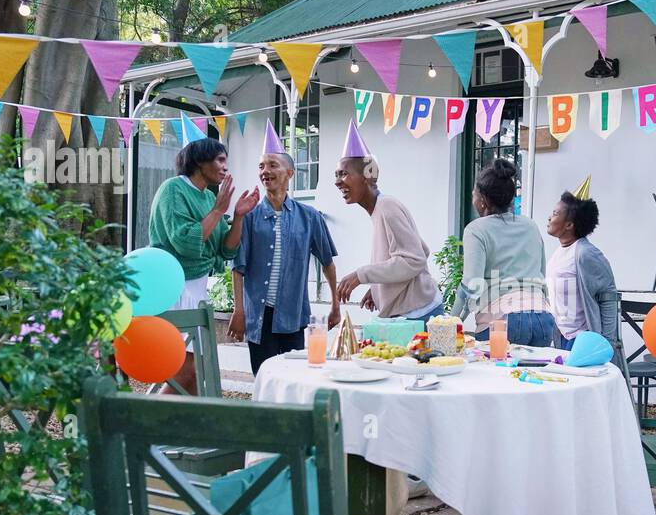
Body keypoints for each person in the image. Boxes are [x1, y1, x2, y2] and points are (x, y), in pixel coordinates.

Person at [148, 136, 256, 393]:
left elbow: (226, 249)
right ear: (199, 161)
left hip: (197, 288)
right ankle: (147, 424)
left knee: (195, 374)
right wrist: (219, 211)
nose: (225, 167)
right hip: (172, 286)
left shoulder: (209, 198)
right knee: (184, 371)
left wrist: (238, 216)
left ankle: (188, 430)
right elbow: (185, 242)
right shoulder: (173, 189)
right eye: (220, 160)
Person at [230, 124, 341, 375]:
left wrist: (335, 304)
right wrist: (239, 311)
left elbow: (327, 262)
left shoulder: (310, 217)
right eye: (261, 166)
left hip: (294, 314)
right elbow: (238, 267)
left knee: (295, 378)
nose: (265, 171)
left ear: (289, 172)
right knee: (264, 378)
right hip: (259, 315)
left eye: (272, 165)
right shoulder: (249, 217)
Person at [333, 120, 443, 321]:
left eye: (344, 174)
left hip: (419, 315)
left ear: (367, 176)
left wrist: (361, 274)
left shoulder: (387, 207)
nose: (338, 181)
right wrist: (379, 289)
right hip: (411, 313)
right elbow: (418, 251)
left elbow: (414, 259)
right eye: (337, 175)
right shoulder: (378, 209)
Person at [451, 158, 555, 346]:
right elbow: (541, 273)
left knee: (495, 376)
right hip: (542, 317)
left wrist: (452, 320)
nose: (472, 197)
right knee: (534, 375)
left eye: (474, 193)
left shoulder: (476, 230)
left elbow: (471, 283)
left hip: (502, 321)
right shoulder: (531, 226)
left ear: (482, 200)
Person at [545, 176, 619, 349]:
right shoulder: (558, 253)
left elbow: (609, 296)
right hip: (561, 338)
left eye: (555, 214)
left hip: (582, 340)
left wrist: (606, 343)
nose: (549, 217)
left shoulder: (586, 254)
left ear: (569, 225)